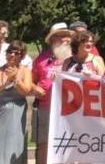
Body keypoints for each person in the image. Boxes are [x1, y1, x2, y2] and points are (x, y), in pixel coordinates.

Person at [31, 23, 73, 164]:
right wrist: (34, 88)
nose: (66, 39)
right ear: (53, 38)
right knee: (43, 144)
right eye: (62, 36)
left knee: (67, 143)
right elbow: (31, 80)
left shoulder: (75, 59)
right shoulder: (41, 59)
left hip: (68, 109)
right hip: (45, 107)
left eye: (67, 36)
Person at [0, 40, 31, 164]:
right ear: (6, 53)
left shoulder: (25, 71)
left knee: (14, 147)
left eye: (17, 53)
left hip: (17, 114)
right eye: (10, 52)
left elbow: (26, 91)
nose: (12, 55)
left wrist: (15, 79)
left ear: (22, 56)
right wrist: (4, 84)